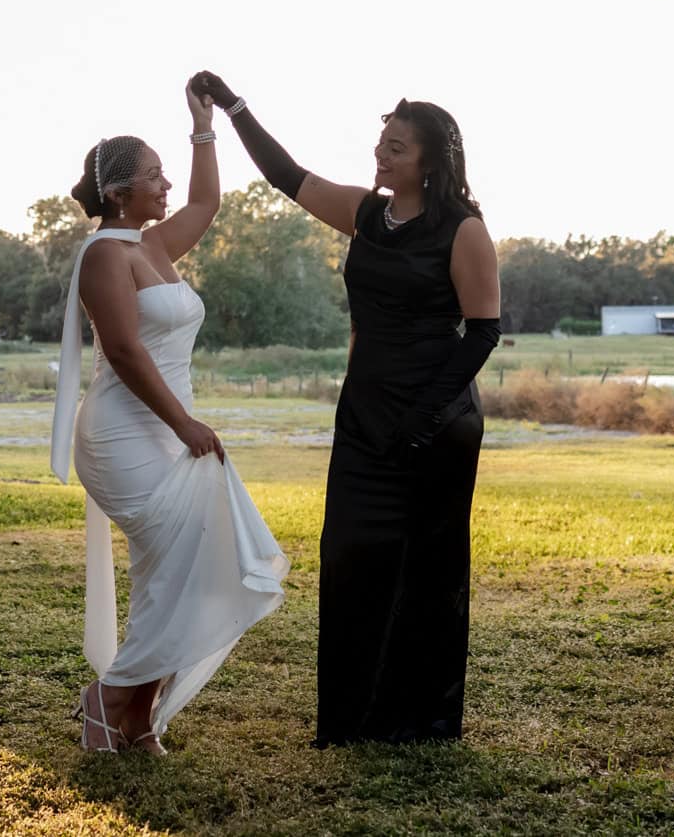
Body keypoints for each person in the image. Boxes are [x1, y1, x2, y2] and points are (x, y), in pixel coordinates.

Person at [192, 71, 500, 746]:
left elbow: (483, 331)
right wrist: (233, 107)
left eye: (396, 148)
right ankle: (353, 718)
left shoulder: (463, 230)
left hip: (435, 422)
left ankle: (419, 720)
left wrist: (424, 416)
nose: (380, 155)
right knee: (351, 555)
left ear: (429, 160)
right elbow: (286, 175)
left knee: (426, 566)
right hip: (363, 415)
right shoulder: (366, 214)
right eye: (381, 143)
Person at [51, 82, 289, 755]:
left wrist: (203, 125)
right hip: (123, 434)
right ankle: (111, 697)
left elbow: (207, 202)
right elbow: (124, 351)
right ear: (119, 192)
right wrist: (185, 423)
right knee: (181, 567)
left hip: (167, 428)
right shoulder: (105, 254)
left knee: (181, 572)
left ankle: (134, 714)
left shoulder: (153, 246)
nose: (166, 185)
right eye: (154, 175)